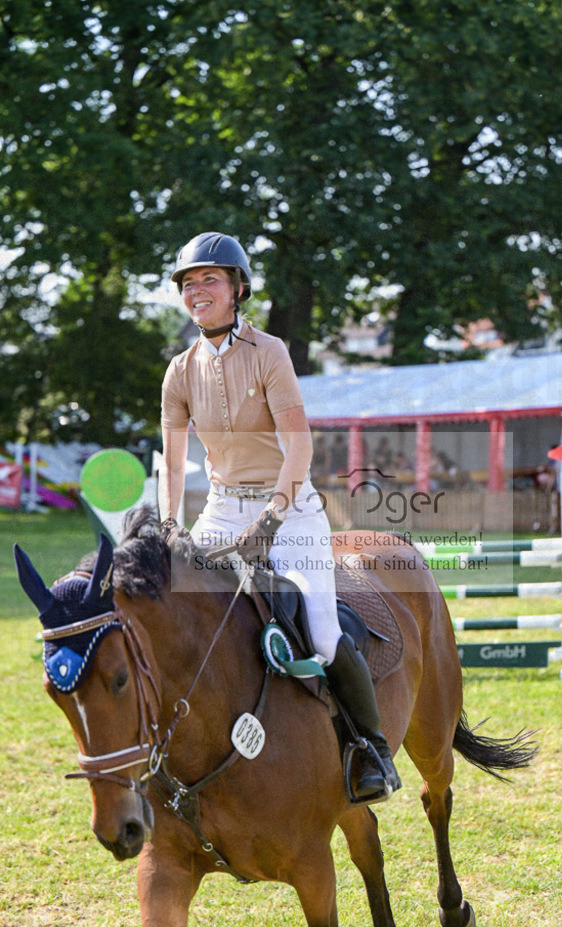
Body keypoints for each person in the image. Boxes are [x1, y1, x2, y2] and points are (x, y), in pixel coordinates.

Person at [158, 231, 400, 801]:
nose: (198, 291)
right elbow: (171, 464)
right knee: (180, 613)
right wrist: (171, 524)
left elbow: (300, 448)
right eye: (189, 284)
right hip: (219, 509)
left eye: (210, 280)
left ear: (238, 288)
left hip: (288, 509)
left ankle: (372, 749)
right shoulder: (178, 370)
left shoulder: (270, 352)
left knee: (321, 630)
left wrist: (270, 519)